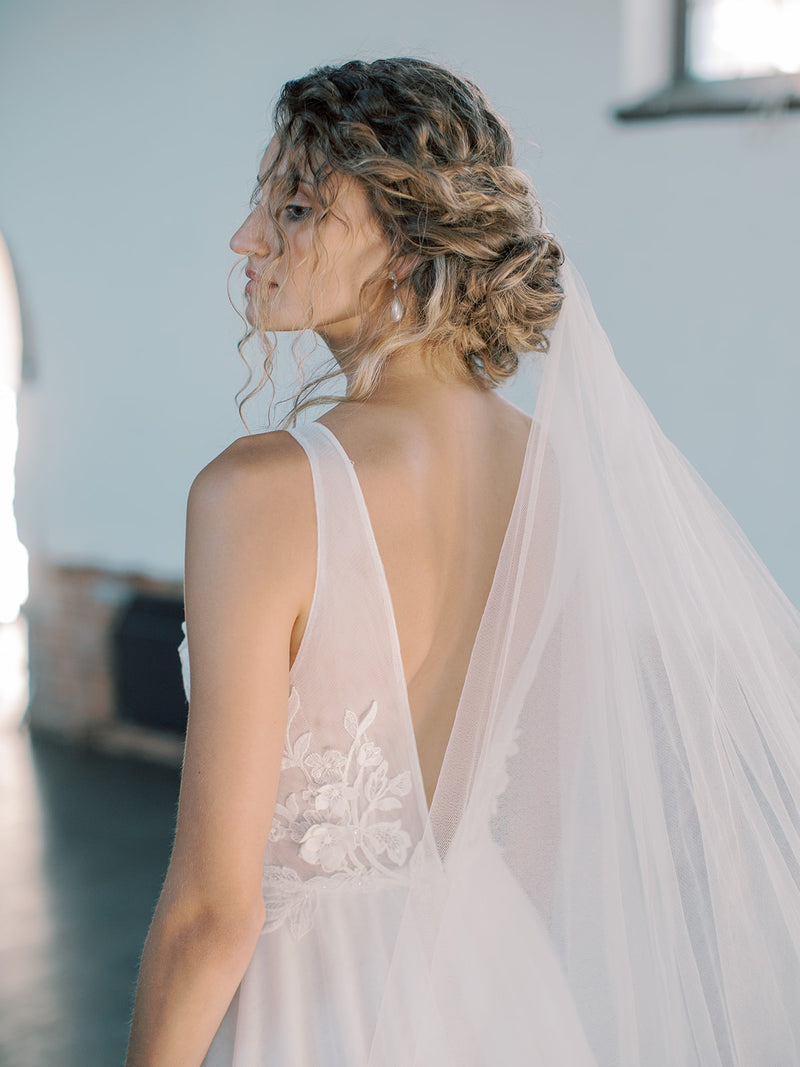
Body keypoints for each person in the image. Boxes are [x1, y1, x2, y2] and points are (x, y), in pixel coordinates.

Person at [126, 57, 800, 1067]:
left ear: (402, 249)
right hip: (495, 983)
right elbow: (536, 824)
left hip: (316, 1007)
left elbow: (213, 911)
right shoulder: (549, 469)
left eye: (297, 206)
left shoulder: (254, 492)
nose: (247, 236)